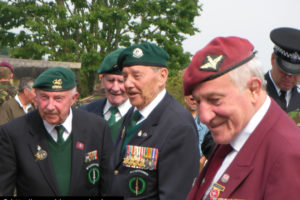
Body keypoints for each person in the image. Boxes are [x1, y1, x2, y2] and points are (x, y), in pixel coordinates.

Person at [183, 36, 300, 199]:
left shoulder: (289, 155)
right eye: (198, 101)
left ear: (253, 89)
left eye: (215, 100)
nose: (203, 116)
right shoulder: (232, 133)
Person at [0, 66, 112, 196]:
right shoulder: (13, 133)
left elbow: (108, 187)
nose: (50, 106)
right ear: (35, 97)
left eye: (58, 98)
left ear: (74, 98)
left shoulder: (97, 128)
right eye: (44, 97)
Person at [109, 43, 199, 199]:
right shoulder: (133, 113)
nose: (128, 84)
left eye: (137, 76)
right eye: (125, 77)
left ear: (162, 76)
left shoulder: (178, 126)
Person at [80, 49, 132, 142]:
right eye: (110, 80)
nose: (115, 88)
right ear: (102, 79)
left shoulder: (141, 116)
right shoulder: (85, 113)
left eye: (121, 81)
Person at [265, 27, 300, 126]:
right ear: (273, 59)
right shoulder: (254, 94)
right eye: (284, 70)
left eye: (295, 72)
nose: (289, 76)